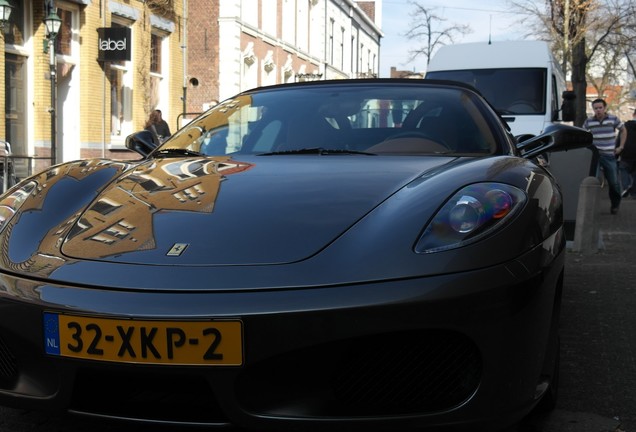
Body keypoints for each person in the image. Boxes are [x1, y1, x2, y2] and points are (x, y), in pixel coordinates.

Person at [583, 98, 626, 215]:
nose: (598, 110)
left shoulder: (613, 119)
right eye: (595, 108)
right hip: (595, 157)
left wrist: (621, 146)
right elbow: (583, 135)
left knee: (614, 183)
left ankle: (615, 205)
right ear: (593, 109)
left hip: (609, 156)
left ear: (605, 108)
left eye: (600, 108)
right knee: (592, 182)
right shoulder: (589, 122)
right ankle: (590, 207)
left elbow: (623, 130)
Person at [619, 108, 636, 198]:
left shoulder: (626, 126)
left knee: (624, 169)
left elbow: (620, 137)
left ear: (633, 115)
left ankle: (626, 188)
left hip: (626, 151)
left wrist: (618, 150)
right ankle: (634, 192)